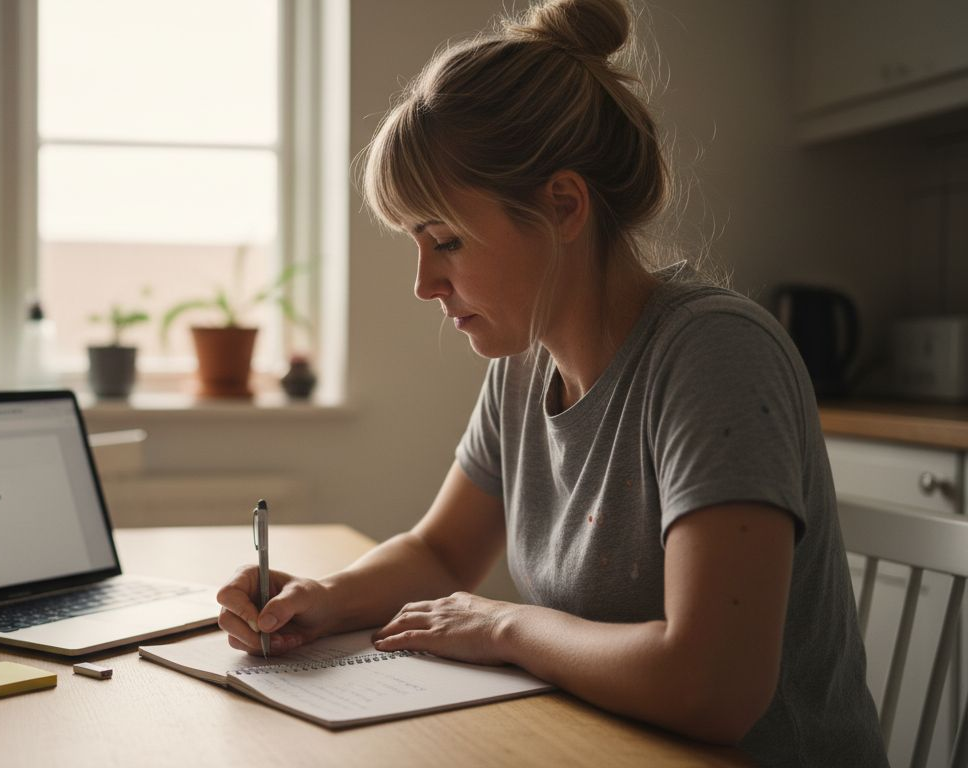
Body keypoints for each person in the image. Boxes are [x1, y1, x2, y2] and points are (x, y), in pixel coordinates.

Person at [215, 0, 887, 764]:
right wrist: (321, 599)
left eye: (447, 241)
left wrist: (505, 627)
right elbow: (441, 554)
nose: (424, 283)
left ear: (562, 205)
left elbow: (715, 687)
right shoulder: (523, 365)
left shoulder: (713, 355)